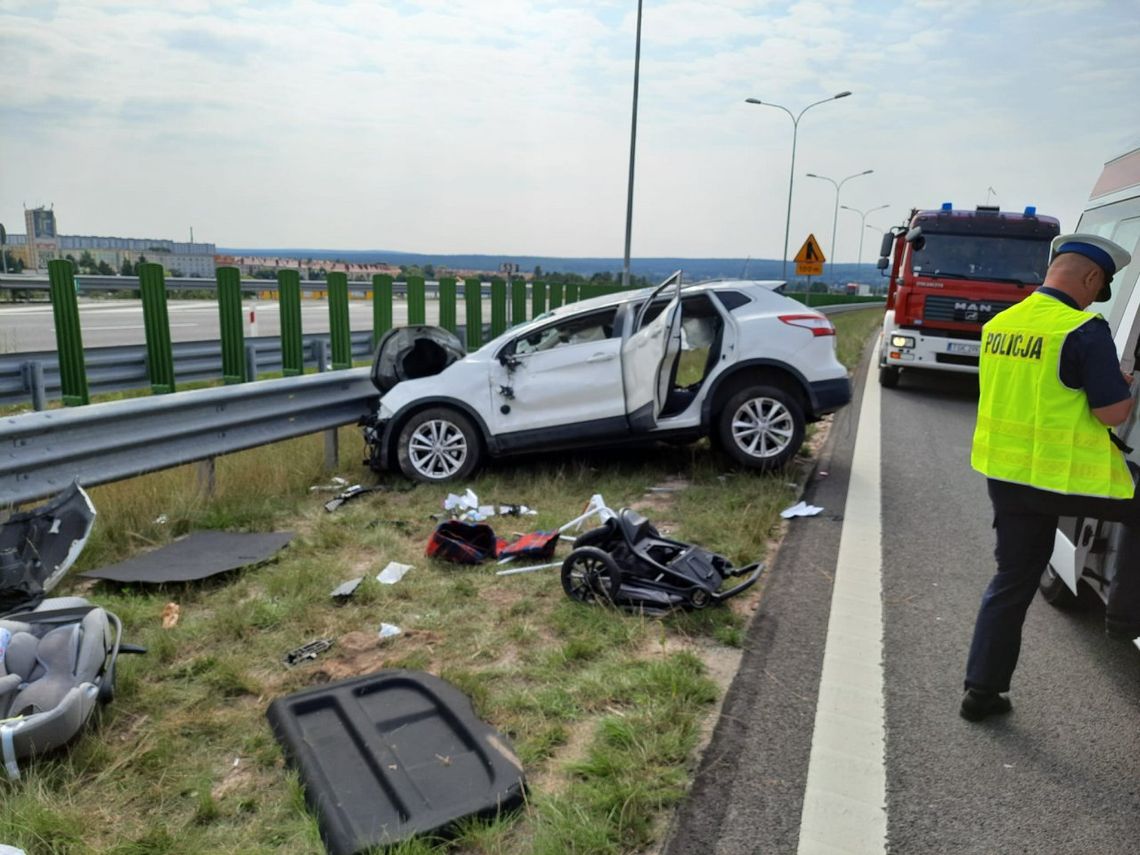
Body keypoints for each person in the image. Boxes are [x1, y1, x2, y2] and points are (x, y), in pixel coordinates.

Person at [963, 232, 1136, 722]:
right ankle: (1125, 617)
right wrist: (1120, 387)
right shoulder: (1083, 328)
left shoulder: (1002, 323)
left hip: (1008, 476)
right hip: (1066, 477)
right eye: (1096, 288)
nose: (1092, 298)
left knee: (1012, 580)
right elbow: (1111, 413)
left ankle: (982, 692)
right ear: (1090, 277)